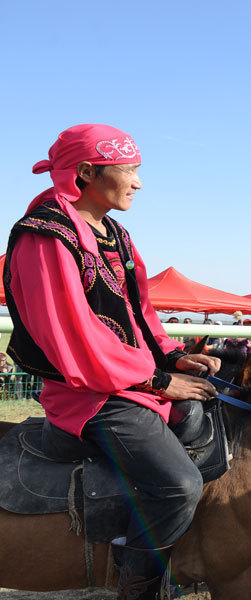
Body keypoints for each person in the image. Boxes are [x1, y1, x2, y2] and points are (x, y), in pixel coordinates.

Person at [2, 124, 221, 599]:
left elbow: (140, 312)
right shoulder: (46, 236)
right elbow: (73, 338)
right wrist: (160, 381)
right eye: (131, 171)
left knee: (209, 418)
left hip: (128, 380)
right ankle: (135, 586)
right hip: (87, 395)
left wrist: (176, 357)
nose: (139, 183)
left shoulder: (115, 233)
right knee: (180, 485)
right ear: (85, 173)